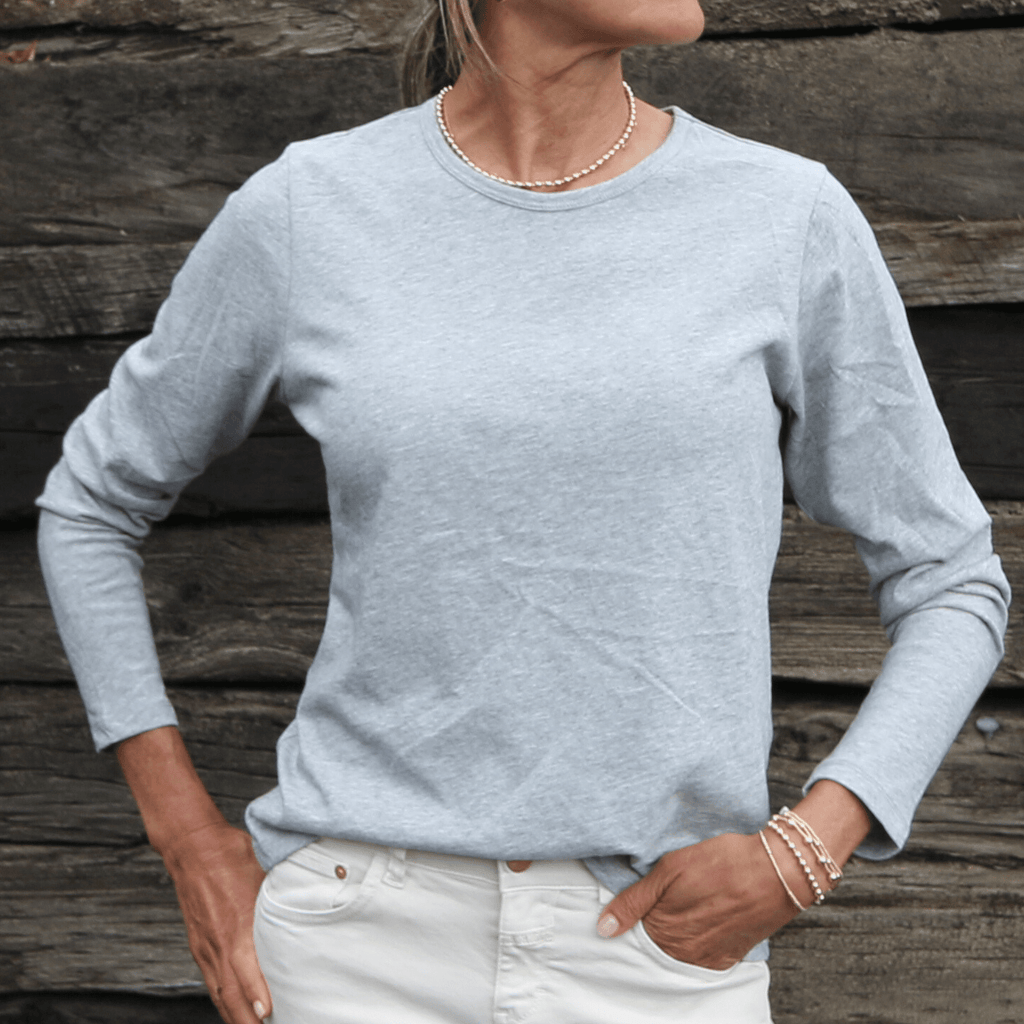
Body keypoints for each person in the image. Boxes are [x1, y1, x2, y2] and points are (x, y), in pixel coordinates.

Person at [36, 1, 1009, 1021]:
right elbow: (92, 502)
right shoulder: (309, 208)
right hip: (355, 946)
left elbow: (951, 577)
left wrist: (811, 844)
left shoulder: (782, 216)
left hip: (654, 953)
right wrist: (188, 839)